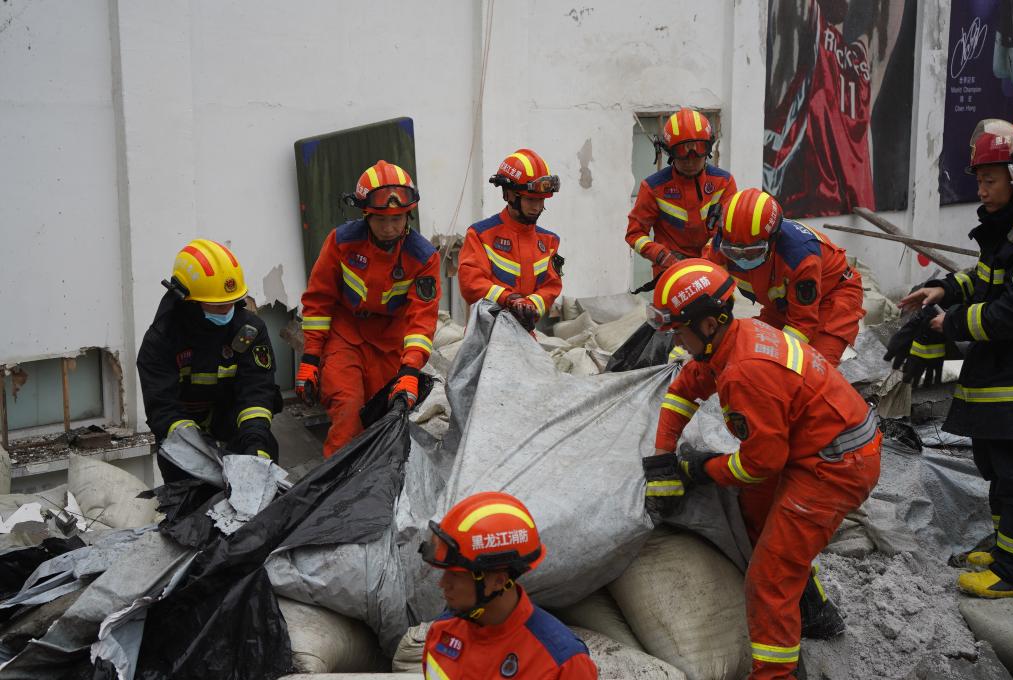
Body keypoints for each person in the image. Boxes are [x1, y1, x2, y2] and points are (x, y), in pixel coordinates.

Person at [641, 259, 881, 679]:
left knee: (769, 580)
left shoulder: (745, 371)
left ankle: (774, 673)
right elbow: (685, 388)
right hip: (816, 448)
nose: (676, 341)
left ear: (709, 325)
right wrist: (662, 459)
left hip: (834, 466)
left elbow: (759, 463)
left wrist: (702, 469)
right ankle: (813, 609)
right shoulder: (735, 340)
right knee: (754, 514)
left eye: (679, 331)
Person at [894, 119, 1013, 599]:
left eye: (990, 180)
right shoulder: (1005, 231)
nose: (981, 190)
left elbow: (1011, 312)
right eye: (979, 179)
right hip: (1002, 372)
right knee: (992, 461)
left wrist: (947, 324)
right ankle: (1007, 546)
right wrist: (943, 287)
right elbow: (984, 279)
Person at [297, 160, 440, 458]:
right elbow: (319, 301)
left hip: (389, 346)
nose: (389, 228)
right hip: (345, 336)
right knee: (347, 413)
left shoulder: (423, 257)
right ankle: (335, 491)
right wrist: (311, 358)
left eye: (397, 219)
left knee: (382, 423)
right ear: (365, 214)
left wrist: (411, 369)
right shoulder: (341, 243)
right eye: (380, 219)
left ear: (409, 214)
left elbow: (421, 320)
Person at [138, 239, 282, 481]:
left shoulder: (248, 330)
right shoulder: (161, 340)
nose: (227, 311)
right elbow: (163, 409)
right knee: (188, 501)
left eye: (232, 303)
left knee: (260, 479)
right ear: (187, 300)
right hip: (183, 439)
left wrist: (255, 442)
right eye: (217, 305)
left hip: (235, 427)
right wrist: (202, 452)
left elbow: (256, 390)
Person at [419, 491, 598, 679]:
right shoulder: (442, 631)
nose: (442, 583)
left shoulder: (562, 662)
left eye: (455, 575)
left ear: (498, 581)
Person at [763, 0, 905, 217]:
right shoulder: (803, 25)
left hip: (856, 227)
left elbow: (885, 21)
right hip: (807, 222)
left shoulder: (861, 62)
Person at [704, 187, 864, 366]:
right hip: (783, 304)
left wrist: (782, 364)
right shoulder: (721, 243)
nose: (741, 257)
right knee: (748, 351)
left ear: (773, 239)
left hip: (833, 296)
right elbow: (704, 290)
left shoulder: (800, 258)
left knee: (814, 367)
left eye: (752, 252)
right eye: (733, 251)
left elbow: (801, 324)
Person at [625, 107, 737, 281]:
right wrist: (660, 255)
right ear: (670, 152)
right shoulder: (653, 188)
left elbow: (725, 232)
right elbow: (634, 234)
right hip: (670, 272)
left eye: (697, 152)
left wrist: (703, 263)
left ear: (707, 149)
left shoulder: (724, 183)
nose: (690, 161)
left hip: (712, 270)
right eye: (682, 155)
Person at [458, 149, 564, 331]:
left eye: (542, 200)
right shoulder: (480, 235)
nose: (537, 207)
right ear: (509, 194)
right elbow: (471, 283)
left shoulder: (549, 241)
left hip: (524, 335)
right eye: (531, 199)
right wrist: (509, 299)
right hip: (485, 338)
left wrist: (530, 305)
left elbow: (551, 286)